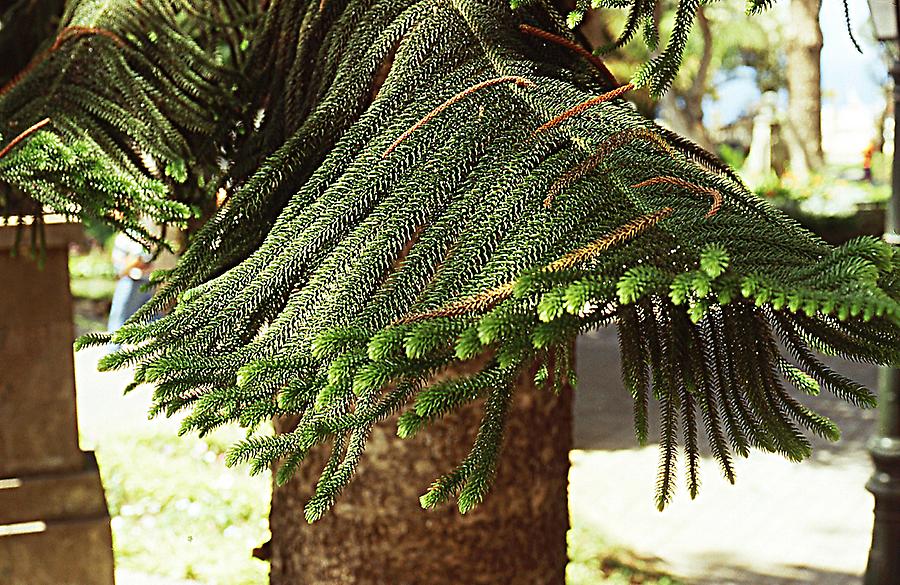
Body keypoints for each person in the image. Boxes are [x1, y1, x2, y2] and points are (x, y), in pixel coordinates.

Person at [106, 231, 154, 351]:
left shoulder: (133, 233)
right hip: (135, 279)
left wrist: (122, 272)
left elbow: (139, 258)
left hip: (132, 280)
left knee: (119, 317)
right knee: (151, 316)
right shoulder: (125, 233)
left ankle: (112, 352)